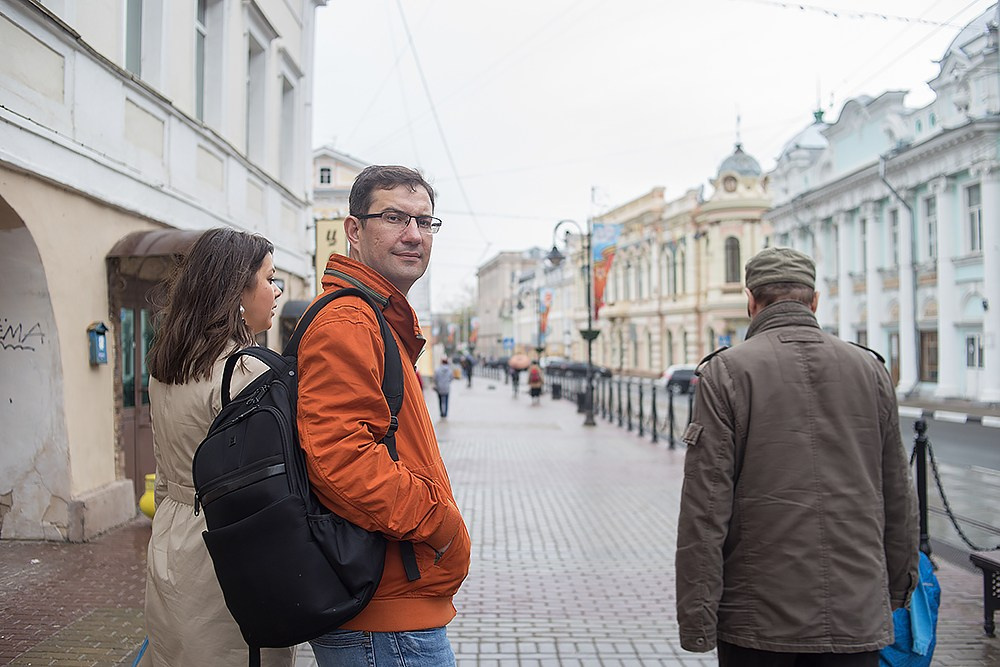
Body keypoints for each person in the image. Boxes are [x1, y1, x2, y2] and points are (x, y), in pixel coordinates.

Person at [675, 246, 918, 667]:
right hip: (855, 609)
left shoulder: (727, 372)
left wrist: (698, 620)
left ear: (750, 301)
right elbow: (898, 491)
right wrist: (897, 590)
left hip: (758, 619)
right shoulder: (870, 369)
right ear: (815, 300)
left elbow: (706, 509)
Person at [296, 165, 471, 666]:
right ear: (354, 230)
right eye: (394, 217)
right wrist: (441, 524)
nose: (413, 234)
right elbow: (340, 459)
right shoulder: (351, 321)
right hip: (385, 621)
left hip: (391, 611)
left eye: (424, 221)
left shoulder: (376, 318)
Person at [144, 228, 289, 666]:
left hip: (170, 537)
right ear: (236, 294)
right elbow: (270, 485)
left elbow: (166, 470)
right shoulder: (241, 372)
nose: (277, 290)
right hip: (227, 547)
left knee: (177, 652)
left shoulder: (167, 364)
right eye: (269, 278)